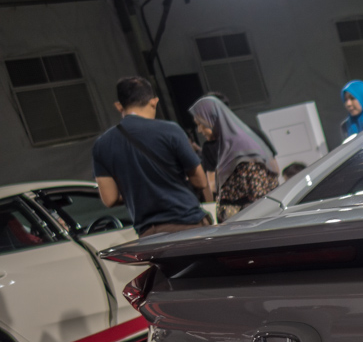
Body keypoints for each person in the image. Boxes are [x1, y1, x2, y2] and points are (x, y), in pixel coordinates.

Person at [92, 76, 213, 237]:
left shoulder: (102, 145)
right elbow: (200, 181)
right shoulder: (171, 130)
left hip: (149, 233)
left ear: (119, 106)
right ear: (154, 102)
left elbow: (110, 199)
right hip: (188, 223)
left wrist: (139, 192)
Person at [189, 96, 280, 223]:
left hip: (247, 220)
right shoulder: (251, 134)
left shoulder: (219, 147)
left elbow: (213, 186)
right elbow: (275, 169)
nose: (199, 130)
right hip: (259, 213)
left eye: (201, 124)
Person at [198, 91, 276, 193]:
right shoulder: (209, 147)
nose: (199, 130)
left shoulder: (253, 133)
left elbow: (273, 168)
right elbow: (213, 186)